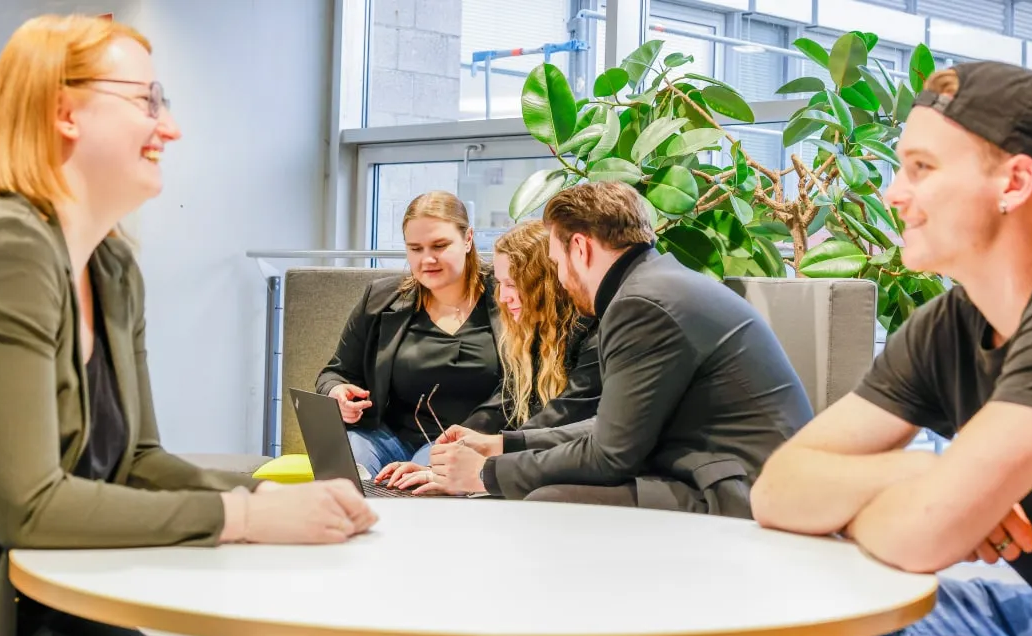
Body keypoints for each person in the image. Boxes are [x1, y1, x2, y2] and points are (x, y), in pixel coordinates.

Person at [0, 15, 376, 636]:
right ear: (64, 112)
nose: (170, 126)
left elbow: (137, 460)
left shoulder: (110, 265)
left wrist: (268, 497)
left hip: (73, 597)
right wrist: (242, 515)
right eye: (146, 101)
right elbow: (30, 508)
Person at [749, 61, 1032, 636]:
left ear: (1014, 183)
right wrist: (920, 471)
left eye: (922, 169)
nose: (894, 194)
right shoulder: (951, 323)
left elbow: (924, 534)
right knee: (805, 618)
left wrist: (939, 506)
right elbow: (777, 489)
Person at [424, 181, 813, 511]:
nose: (560, 278)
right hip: (738, 472)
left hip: (743, 489)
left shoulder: (640, 304)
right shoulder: (657, 284)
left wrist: (483, 475)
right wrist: (505, 444)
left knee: (551, 500)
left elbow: (610, 456)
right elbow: (614, 429)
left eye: (557, 263)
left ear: (581, 248)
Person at [374, 220, 603, 491]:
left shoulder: (591, 333)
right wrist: (459, 444)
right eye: (500, 284)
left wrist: (485, 458)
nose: (503, 297)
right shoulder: (536, 331)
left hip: (577, 471)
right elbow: (507, 399)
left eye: (512, 284)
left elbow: (562, 416)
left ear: (544, 283)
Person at [315, 191, 503, 477]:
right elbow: (335, 373)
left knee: (425, 469)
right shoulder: (380, 299)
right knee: (347, 466)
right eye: (415, 249)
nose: (427, 259)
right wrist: (337, 394)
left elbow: (522, 388)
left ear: (468, 239)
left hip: (468, 439)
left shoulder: (507, 297)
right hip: (387, 439)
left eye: (439, 246)